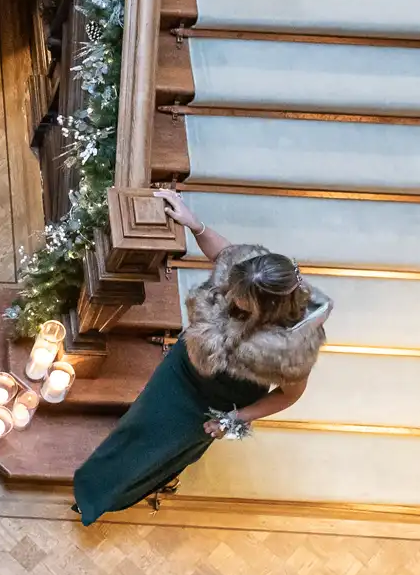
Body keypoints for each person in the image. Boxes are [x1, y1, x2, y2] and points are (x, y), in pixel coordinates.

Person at [73, 189, 330, 525]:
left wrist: (234, 419)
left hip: (221, 400)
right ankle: (94, 487)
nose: (229, 298)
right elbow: (224, 253)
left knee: (165, 449)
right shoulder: (249, 272)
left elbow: (288, 396)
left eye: (241, 301)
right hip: (183, 368)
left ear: (267, 307)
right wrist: (195, 225)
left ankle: (116, 495)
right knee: (139, 424)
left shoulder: (291, 349)